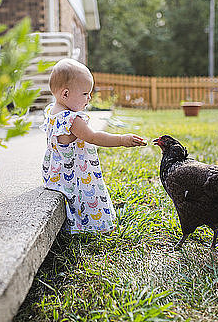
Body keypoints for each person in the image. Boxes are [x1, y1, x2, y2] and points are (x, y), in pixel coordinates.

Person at [41, 58, 147, 233]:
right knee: (91, 196)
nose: (89, 98)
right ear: (65, 94)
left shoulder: (52, 112)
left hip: (55, 172)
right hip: (74, 175)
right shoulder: (71, 120)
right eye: (85, 94)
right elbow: (94, 137)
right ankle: (94, 226)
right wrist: (122, 139)